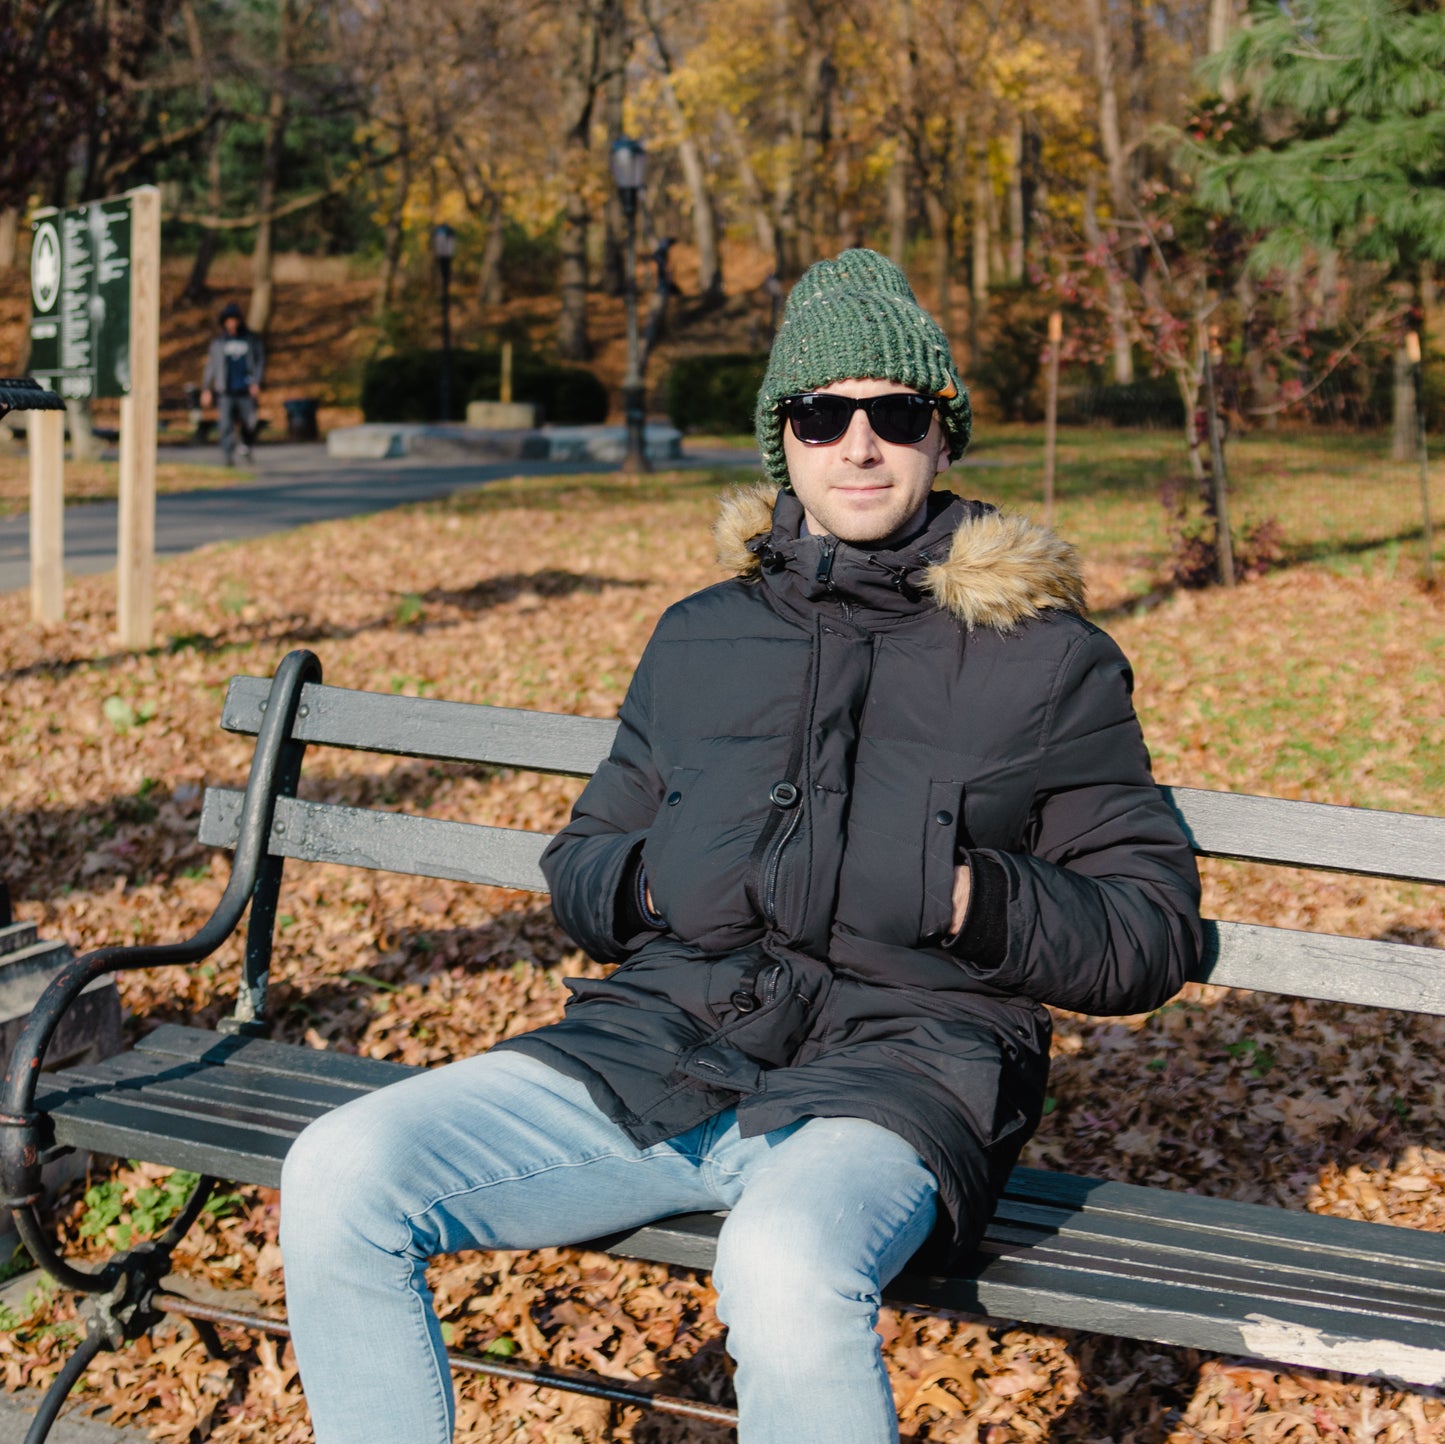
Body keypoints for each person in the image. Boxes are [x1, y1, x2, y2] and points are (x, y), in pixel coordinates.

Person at [279, 249, 1203, 1444]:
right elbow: (584, 862)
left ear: (939, 437)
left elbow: (1149, 927)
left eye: (894, 414)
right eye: (821, 415)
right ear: (783, 440)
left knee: (779, 1259)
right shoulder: (699, 637)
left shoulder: (1045, 656)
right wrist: (651, 880)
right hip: (659, 1045)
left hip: (904, 1069)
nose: (857, 445)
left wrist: (964, 893)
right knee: (342, 1168)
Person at [199, 301, 264, 464]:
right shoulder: (219, 342)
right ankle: (228, 456)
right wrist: (206, 388)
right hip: (226, 390)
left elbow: (259, 362)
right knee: (226, 424)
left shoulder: (250, 339)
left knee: (250, 422)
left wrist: (256, 382)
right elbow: (211, 366)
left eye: (234, 319)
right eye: (229, 320)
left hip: (245, 389)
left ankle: (246, 445)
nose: (232, 323)